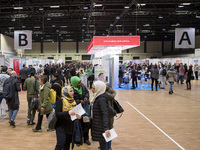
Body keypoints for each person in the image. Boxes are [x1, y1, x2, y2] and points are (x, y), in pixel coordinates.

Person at [55, 86, 81, 150]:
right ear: (66, 92)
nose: (73, 92)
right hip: (61, 126)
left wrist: (80, 117)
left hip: (70, 126)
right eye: (71, 91)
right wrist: (68, 113)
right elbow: (57, 114)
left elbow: (79, 113)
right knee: (60, 144)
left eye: (73, 91)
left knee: (67, 146)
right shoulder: (60, 101)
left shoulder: (74, 102)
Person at [70, 76, 91, 145]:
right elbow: (70, 100)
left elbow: (87, 93)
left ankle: (86, 138)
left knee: (86, 122)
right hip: (77, 109)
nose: (80, 83)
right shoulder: (71, 89)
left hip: (85, 108)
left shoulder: (83, 87)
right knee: (78, 124)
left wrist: (86, 97)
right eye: (78, 83)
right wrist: (79, 101)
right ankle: (78, 139)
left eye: (80, 82)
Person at [91, 80, 111, 150]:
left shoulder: (101, 99)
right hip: (98, 125)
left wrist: (106, 128)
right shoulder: (98, 97)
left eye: (93, 88)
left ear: (99, 88)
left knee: (103, 145)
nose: (92, 90)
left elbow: (105, 113)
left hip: (101, 126)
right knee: (102, 144)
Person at [105, 83, 116, 150]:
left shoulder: (111, 92)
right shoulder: (102, 92)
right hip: (106, 114)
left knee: (110, 128)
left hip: (110, 114)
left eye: (107, 85)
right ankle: (104, 145)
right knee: (105, 130)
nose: (106, 86)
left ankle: (109, 146)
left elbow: (113, 95)